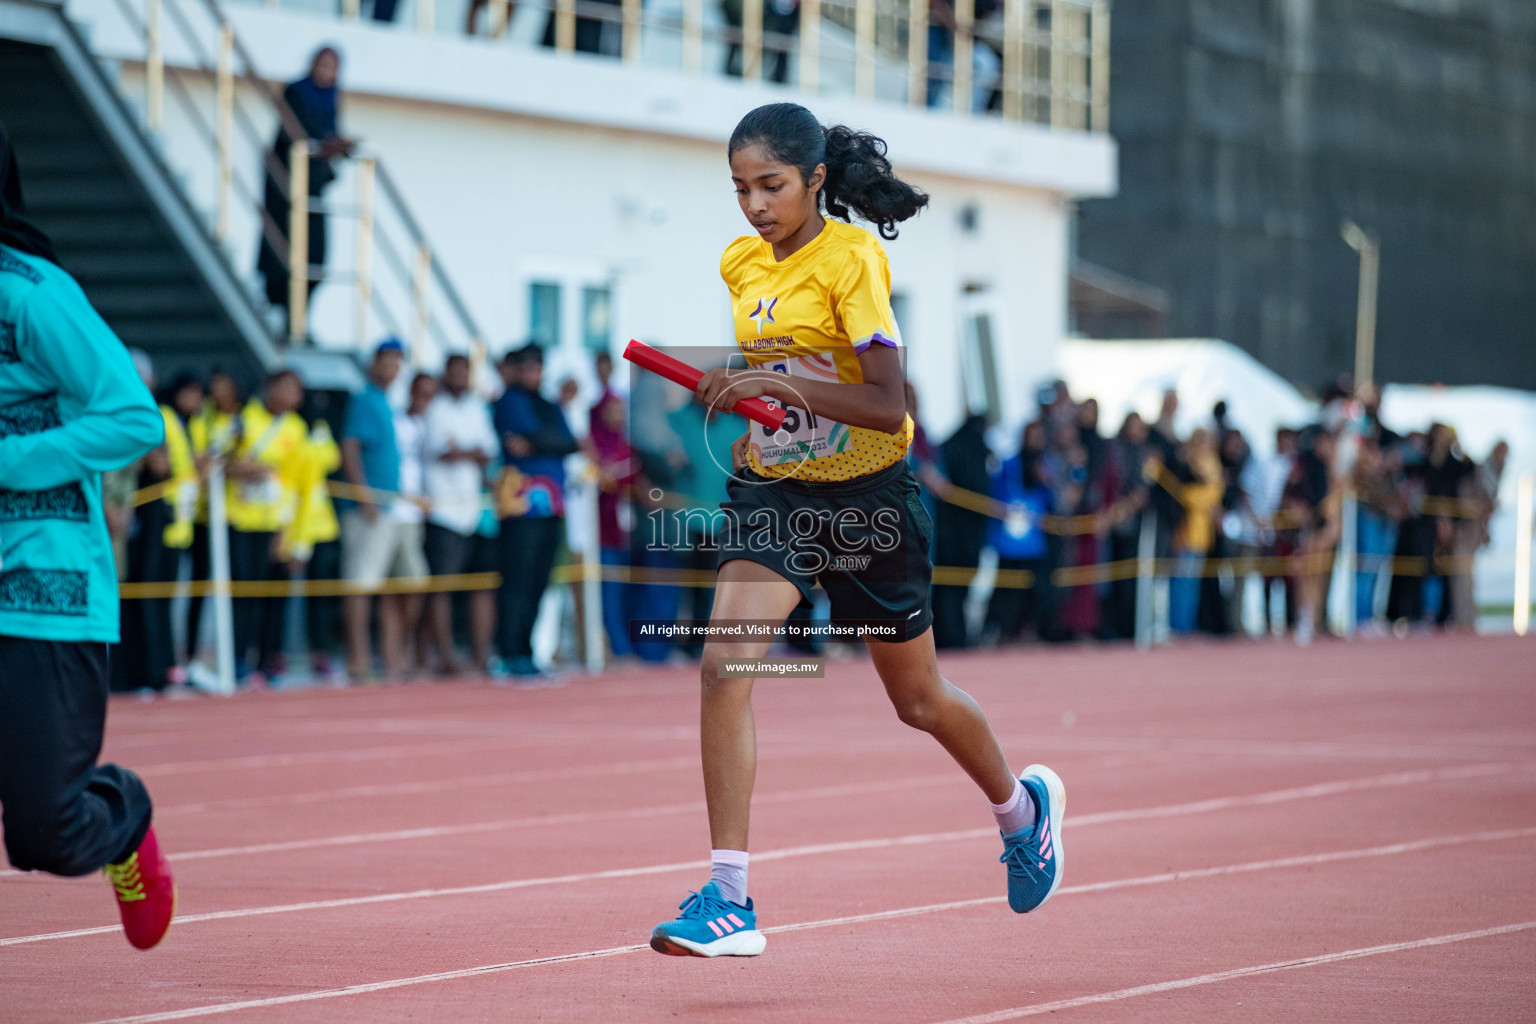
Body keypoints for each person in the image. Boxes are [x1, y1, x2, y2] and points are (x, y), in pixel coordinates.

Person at [647, 103, 1064, 959]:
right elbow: (777, 368)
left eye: (770, 186)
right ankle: (727, 897)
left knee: (918, 701)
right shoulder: (740, 263)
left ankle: (1022, 813)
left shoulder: (854, 259)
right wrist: (734, 381)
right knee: (725, 664)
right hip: (776, 493)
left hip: (870, 499)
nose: (754, 206)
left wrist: (782, 385)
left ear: (815, 181)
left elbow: (884, 403)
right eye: (739, 189)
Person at [0, 124, 175, 948]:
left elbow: (133, 416)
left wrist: (12, 458)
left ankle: (122, 812)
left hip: (44, 592)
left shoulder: (32, 293)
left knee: (44, 832)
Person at [492, 344, 578, 677]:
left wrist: (538, 442)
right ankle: (509, 653)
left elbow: (570, 442)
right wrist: (549, 441)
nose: (533, 373)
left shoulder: (547, 404)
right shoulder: (509, 401)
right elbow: (536, 439)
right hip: (520, 506)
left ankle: (527, 651)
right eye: (527, 367)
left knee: (539, 581)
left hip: (552, 505)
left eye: (538, 367)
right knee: (517, 581)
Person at [257, 48, 355, 324]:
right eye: (323, 64)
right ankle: (282, 314)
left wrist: (338, 146)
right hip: (286, 190)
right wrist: (328, 145)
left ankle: (298, 319)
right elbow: (300, 134)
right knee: (283, 254)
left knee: (315, 258)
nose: (327, 71)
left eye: (333, 66)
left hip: (312, 189)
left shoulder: (332, 97)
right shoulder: (297, 92)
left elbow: (328, 134)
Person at [224, 369, 309, 684]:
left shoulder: (298, 429)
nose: (292, 394)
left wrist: (294, 534)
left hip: (279, 523)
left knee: (275, 596)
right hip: (242, 519)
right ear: (270, 388)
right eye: (286, 386)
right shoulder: (244, 419)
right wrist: (241, 469)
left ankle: (268, 660)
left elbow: (301, 485)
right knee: (243, 593)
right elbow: (218, 459)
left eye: (296, 388)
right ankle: (237, 659)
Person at [340, 339, 415, 680]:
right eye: (387, 359)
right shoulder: (365, 401)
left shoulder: (386, 402)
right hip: (369, 509)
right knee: (360, 583)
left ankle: (389, 657)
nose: (392, 367)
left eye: (398, 361)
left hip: (390, 510)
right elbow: (351, 447)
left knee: (395, 584)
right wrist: (364, 496)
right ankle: (358, 660)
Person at [422, 353, 498, 674]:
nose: (460, 376)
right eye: (454, 371)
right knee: (442, 586)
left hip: (474, 511)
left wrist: (462, 451)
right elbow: (443, 451)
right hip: (443, 510)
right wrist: (469, 452)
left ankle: (480, 655)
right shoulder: (435, 409)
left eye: (464, 371)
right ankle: (446, 656)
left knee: (481, 584)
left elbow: (487, 452)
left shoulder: (476, 408)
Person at [392, 372, 436, 673]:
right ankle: (392, 656)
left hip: (416, 517)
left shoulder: (427, 425)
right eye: (422, 393)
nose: (426, 400)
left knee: (415, 585)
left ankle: (404, 650)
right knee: (388, 588)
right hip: (390, 512)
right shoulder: (395, 421)